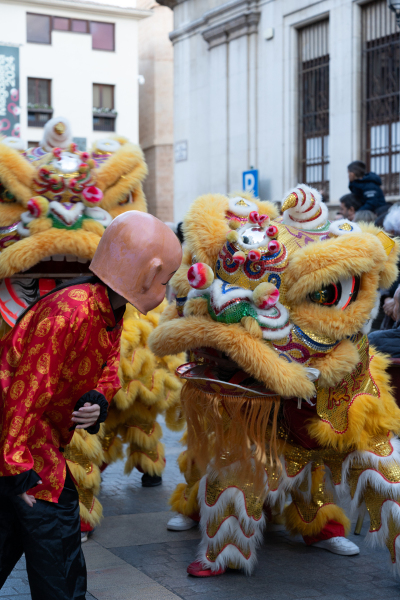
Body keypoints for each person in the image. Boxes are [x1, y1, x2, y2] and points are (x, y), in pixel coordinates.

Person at [0, 211, 182, 600]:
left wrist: (97, 399)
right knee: (57, 553)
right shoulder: (72, 310)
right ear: (149, 274)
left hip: (37, 443)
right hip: (23, 445)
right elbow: (27, 389)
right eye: (165, 281)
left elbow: (108, 370)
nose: (164, 290)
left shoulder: (108, 308)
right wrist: (16, 468)